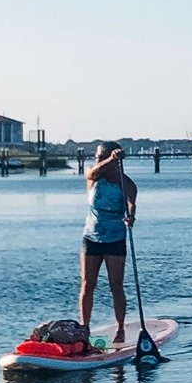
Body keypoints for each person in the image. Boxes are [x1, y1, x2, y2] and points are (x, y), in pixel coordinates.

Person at [80, 141, 138, 337]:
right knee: (88, 284)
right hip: (91, 237)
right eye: (97, 157)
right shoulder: (94, 177)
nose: (97, 160)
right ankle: (85, 327)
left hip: (115, 238)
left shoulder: (126, 183)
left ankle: (120, 329)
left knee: (116, 285)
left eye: (100, 157)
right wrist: (109, 160)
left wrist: (131, 215)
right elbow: (92, 172)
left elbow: (131, 203)